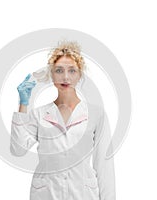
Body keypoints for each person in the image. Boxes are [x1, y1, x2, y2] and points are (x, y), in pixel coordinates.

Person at [10, 41, 116, 200]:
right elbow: (18, 150)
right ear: (52, 75)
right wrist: (23, 105)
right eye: (59, 70)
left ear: (80, 75)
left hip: (82, 194)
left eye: (72, 70)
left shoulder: (96, 114)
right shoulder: (39, 114)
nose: (65, 77)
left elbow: (104, 166)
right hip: (47, 194)